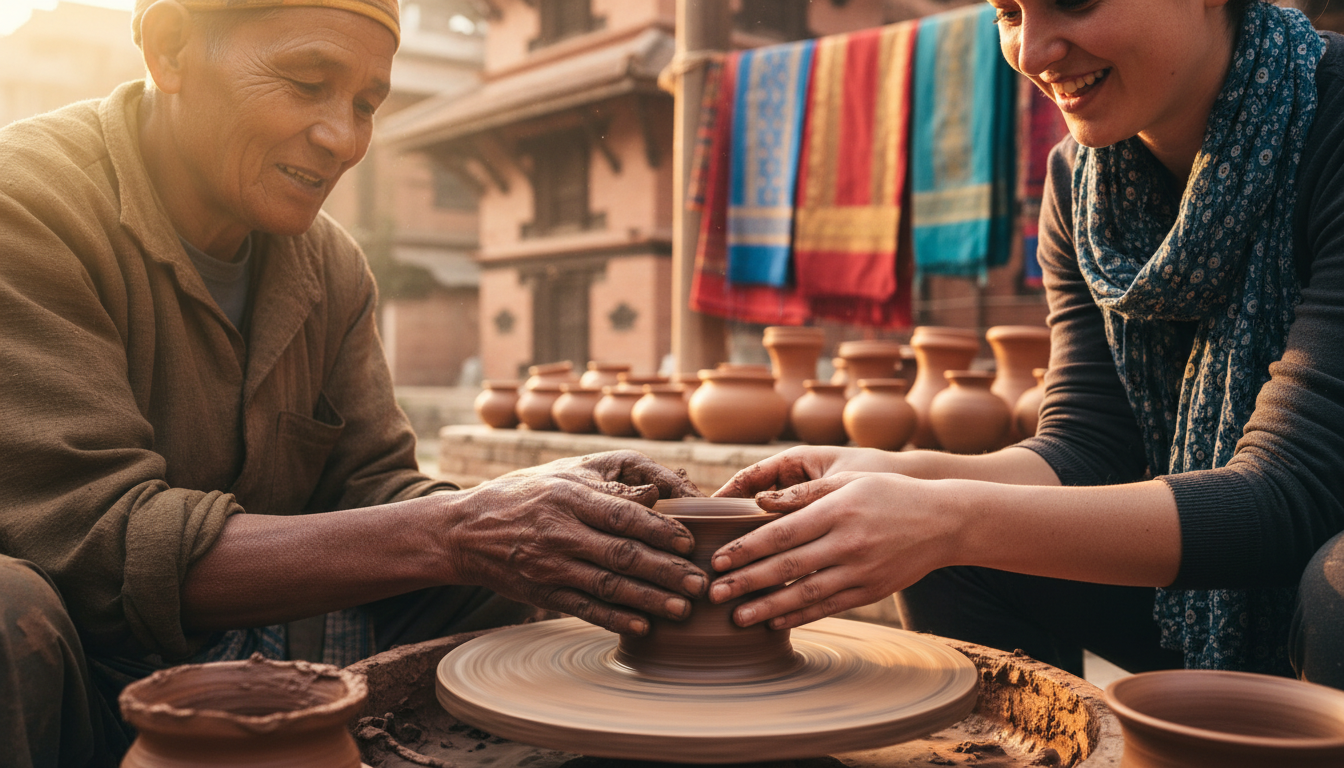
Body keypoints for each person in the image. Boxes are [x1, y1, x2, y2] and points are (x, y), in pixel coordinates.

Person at [0, 1, 708, 765]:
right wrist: (460, 530)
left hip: (271, 647)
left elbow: (375, 490)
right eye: (307, 82)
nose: (343, 138)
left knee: (501, 585)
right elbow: (102, 551)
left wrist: (537, 508)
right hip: (78, 667)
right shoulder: (29, 203)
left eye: (367, 104)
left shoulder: (330, 265)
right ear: (170, 48)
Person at [709, 0, 1344, 690]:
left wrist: (949, 516)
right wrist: (900, 474)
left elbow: (1294, 496)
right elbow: (1086, 450)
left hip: (1312, 583)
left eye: (1073, 2)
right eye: (1009, 13)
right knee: (954, 552)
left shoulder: (1331, 122)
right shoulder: (1082, 184)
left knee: (1336, 587)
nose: (1034, 54)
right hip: (1213, 595)